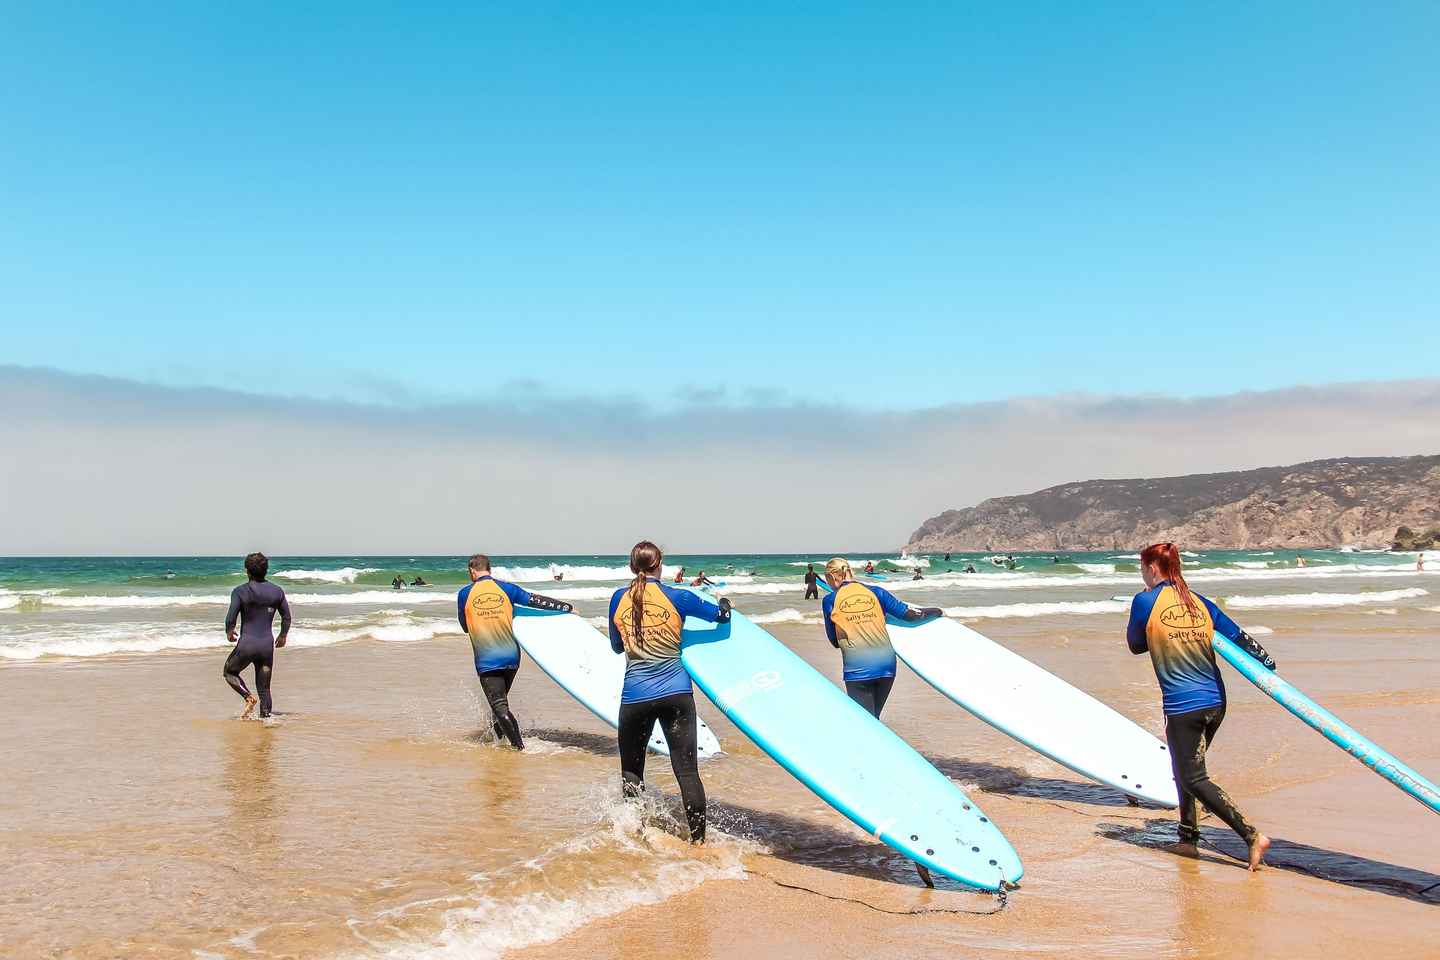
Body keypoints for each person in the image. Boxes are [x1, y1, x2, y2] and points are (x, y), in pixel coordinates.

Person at [1127, 542, 1274, 871]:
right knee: (1185, 770)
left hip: (1183, 706)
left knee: (1193, 777)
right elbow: (1239, 638)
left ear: (1152, 568)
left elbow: (1136, 645)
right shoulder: (1201, 603)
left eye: (1143, 569)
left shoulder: (1145, 601)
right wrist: (1267, 663)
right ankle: (1188, 839)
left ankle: (1251, 836)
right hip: (1215, 703)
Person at [609, 541, 732, 843]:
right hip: (676, 694)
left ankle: (634, 835)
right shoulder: (678, 596)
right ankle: (699, 842)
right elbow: (721, 617)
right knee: (686, 771)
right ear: (659, 564)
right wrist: (725, 603)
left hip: (635, 696)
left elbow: (616, 646)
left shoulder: (617, 599)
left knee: (632, 772)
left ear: (631, 566)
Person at [457, 554, 573, 750]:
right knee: (498, 703)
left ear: (471, 571)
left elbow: (465, 627)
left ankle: (519, 748)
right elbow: (535, 601)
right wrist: (567, 607)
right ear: (489, 569)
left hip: (487, 659)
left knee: (499, 705)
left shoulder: (465, 594)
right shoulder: (507, 588)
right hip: (512, 656)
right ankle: (499, 741)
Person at [821, 558, 941, 718]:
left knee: (866, 724)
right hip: (887, 667)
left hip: (858, 670)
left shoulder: (830, 600)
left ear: (832, 578)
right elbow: (911, 615)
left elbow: (834, 641)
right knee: (873, 719)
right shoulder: (877, 592)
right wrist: (938, 611)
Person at [223, 552, 292, 720]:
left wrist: (230, 630)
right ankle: (266, 722)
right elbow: (287, 617)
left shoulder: (240, 591)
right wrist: (283, 635)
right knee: (265, 689)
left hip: (247, 644)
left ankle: (248, 697)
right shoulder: (277, 591)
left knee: (229, 672)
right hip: (266, 646)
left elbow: (231, 616)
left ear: (247, 571)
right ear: (266, 570)